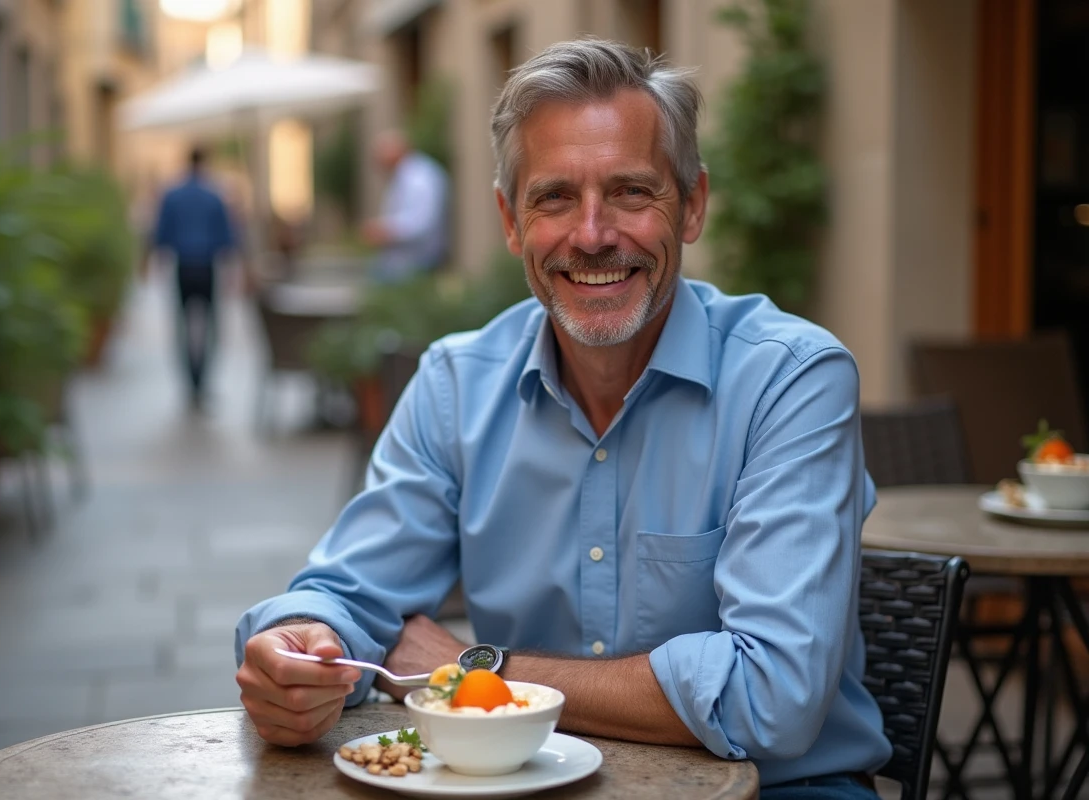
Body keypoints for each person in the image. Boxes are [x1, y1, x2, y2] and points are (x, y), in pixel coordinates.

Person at [235, 39, 891, 797]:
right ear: (511, 222)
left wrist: (475, 673)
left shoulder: (790, 380)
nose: (591, 234)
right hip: (530, 782)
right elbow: (346, 598)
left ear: (694, 205)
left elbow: (772, 698)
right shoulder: (457, 383)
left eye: (631, 192)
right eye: (553, 198)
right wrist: (299, 647)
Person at [148, 146, 239, 410]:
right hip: (206, 267)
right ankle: (203, 381)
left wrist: (148, 263)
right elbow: (227, 238)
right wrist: (235, 272)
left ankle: (190, 382)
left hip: (184, 266)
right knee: (210, 326)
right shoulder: (214, 195)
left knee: (183, 327)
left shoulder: (173, 194)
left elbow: (160, 234)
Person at [360, 130, 450, 283]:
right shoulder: (406, 175)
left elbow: (422, 223)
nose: (376, 161)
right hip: (402, 264)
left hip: (417, 263)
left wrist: (384, 232)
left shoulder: (420, 178)